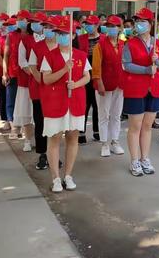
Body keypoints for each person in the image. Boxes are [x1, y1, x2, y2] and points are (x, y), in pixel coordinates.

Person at [41, 17, 90, 193]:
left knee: (72, 137)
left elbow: (87, 77)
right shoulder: (49, 56)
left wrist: (75, 84)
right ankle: (55, 178)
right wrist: (63, 70)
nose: (62, 36)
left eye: (65, 33)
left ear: (73, 34)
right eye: (59, 33)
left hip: (75, 101)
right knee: (54, 138)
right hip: (55, 102)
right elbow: (45, 79)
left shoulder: (81, 55)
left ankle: (68, 175)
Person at [122, 8, 159, 176]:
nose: (139, 24)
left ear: (150, 24)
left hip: (154, 89)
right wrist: (146, 69)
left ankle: (145, 158)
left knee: (147, 126)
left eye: (143, 21)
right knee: (135, 126)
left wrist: (157, 62)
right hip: (135, 88)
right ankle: (134, 160)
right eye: (138, 22)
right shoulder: (130, 43)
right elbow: (127, 65)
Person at [28, 15, 59, 170]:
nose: (48, 30)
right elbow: (32, 66)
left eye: (51, 28)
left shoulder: (61, 46)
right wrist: (41, 79)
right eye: (46, 27)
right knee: (40, 122)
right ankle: (42, 154)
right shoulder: (37, 46)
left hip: (57, 91)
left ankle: (54, 154)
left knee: (54, 124)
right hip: (39, 89)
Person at [92, 15, 125, 157]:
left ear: (119, 29)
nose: (112, 29)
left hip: (120, 84)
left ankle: (115, 141)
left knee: (116, 114)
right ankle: (104, 143)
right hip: (104, 85)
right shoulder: (100, 44)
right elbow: (96, 66)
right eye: (109, 26)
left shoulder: (124, 44)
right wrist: (99, 82)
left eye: (114, 26)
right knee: (104, 114)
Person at [14, 12, 47, 152]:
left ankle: (43, 143)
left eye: (38, 22)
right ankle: (28, 140)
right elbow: (22, 61)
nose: (34, 24)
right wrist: (35, 74)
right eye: (32, 22)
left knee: (42, 114)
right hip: (28, 81)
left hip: (47, 81)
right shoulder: (25, 39)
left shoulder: (50, 38)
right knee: (26, 111)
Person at [78, 15, 101, 144]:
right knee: (84, 104)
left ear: (97, 25)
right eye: (86, 24)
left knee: (97, 103)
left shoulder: (103, 39)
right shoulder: (81, 39)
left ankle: (97, 131)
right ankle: (81, 132)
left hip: (98, 74)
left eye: (91, 24)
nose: (88, 26)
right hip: (84, 74)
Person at [3, 13, 26, 139]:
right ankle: (13, 127)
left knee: (22, 101)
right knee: (10, 100)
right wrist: (4, 73)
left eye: (22, 20)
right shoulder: (10, 36)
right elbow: (6, 55)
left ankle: (23, 126)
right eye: (19, 20)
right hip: (12, 73)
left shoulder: (29, 36)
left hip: (26, 74)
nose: (20, 22)